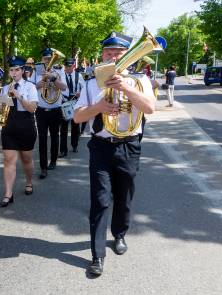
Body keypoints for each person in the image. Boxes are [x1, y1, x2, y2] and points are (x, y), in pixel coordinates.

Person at [73, 32, 155, 276]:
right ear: (102, 55)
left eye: (118, 52)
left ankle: (119, 233)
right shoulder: (90, 82)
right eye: (108, 52)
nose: (112, 56)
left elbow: (149, 107)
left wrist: (126, 89)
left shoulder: (140, 80)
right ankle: (97, 255)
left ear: (128, 55)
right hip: (100, 146)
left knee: (124, 196)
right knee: (100, 200)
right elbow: (77, 117)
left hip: (129, 146)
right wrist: (98, 107)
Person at [0, 56, 38, 207]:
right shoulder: (4, 88)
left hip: (26, 125)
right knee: (8, 159)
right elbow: (1, 111)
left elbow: (32, 108)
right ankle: (8, 193)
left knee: (26, 159)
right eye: (11, 70)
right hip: (9, 126)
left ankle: (29, 181)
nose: (14, 73)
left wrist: (19, 96)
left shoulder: (30, 87)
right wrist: (1, 102)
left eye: (17, 70)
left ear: (22, 71)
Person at [35, 48, 67, 179]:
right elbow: (33, 87)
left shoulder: (59, 71)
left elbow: (64, 87)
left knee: (55, 136)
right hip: (41, 109)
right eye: (45, 59)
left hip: (55, 109)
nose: (48, 61)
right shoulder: (37, 71)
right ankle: (43, 168)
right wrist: (42, 82)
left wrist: (53, 79)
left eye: (50, 59)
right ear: (42, 59)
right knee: (42, 139)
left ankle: (53, 160)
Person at [60, 58, 85, 156]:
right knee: (63, 128)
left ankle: (74, 145)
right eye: (66, 66)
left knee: (75, 125)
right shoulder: (61, 76)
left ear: (73, 66)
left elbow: (84, 88)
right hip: (65, 102)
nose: (68, 68)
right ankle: (63, 150)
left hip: (75, 102)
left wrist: (80, 93)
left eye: (70, 66)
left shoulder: (78, 76)